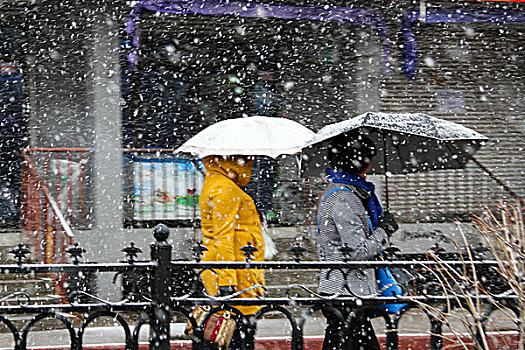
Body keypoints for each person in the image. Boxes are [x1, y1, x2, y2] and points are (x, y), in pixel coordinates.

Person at [317, 133, 399, 350]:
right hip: (345, 289)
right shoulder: (344, 197)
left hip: (348, 290)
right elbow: (356, 250)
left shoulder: (351, 192)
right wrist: (383, 231)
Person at [199, 155, 266, 350]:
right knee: (239, 335)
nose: (249, 164)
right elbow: (223, 236)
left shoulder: (215, 182)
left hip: (229, 268)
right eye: (246, 159)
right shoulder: (226, 189)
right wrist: (227, 280)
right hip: (238, 275)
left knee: (221, 333)